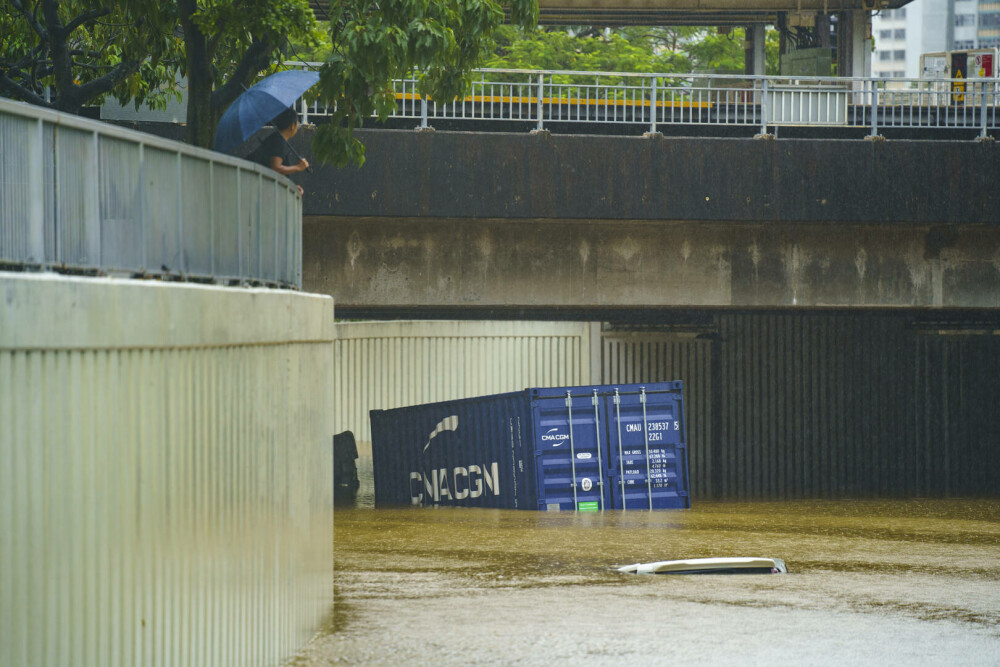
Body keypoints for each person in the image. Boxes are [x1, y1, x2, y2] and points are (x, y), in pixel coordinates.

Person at [248, 107, 309, 195]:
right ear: (292, 126)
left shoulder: (278, 139)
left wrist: (292, 186)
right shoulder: (278, 141)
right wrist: (298, 167)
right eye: (297, 123)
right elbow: (275, 168)